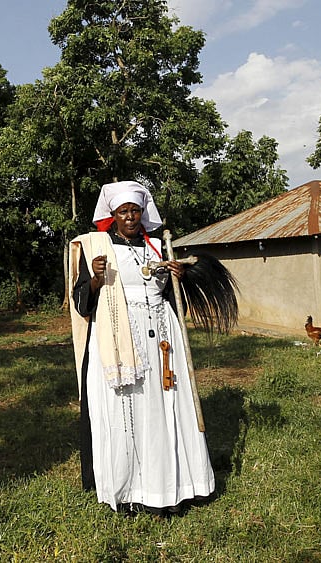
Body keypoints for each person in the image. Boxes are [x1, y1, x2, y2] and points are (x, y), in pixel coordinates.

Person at [68, 180, 215, 515]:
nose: (131, 217)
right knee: (131, 414)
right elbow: (80, 303)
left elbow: (171, 296)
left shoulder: (157, 247)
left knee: (166, 409)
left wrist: (179, 276)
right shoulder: (97, 248)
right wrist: (94, 278)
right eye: (124, 211)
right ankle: (135, 490)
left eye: (135, 210)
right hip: (121, 341)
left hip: (163, 339)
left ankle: (178, 485)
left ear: (142, 213)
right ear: (113, 215)